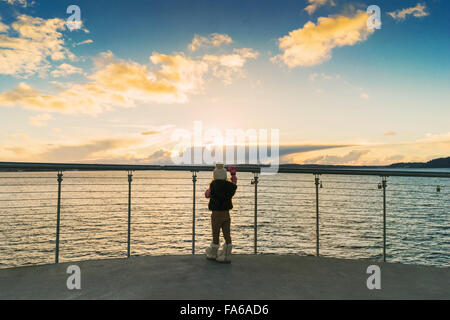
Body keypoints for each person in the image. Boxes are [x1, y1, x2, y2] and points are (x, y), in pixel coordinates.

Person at [204, 164, 237, 263]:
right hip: (226, 214)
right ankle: (227, 255)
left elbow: (207, 195)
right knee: (227, 234)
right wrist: (233, 174)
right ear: (224, 175)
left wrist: (207, 191)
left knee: (216, 234)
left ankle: (213, 254)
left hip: (216, 214)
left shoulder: (213, 186)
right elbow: (234, 183)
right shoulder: (230, 187)